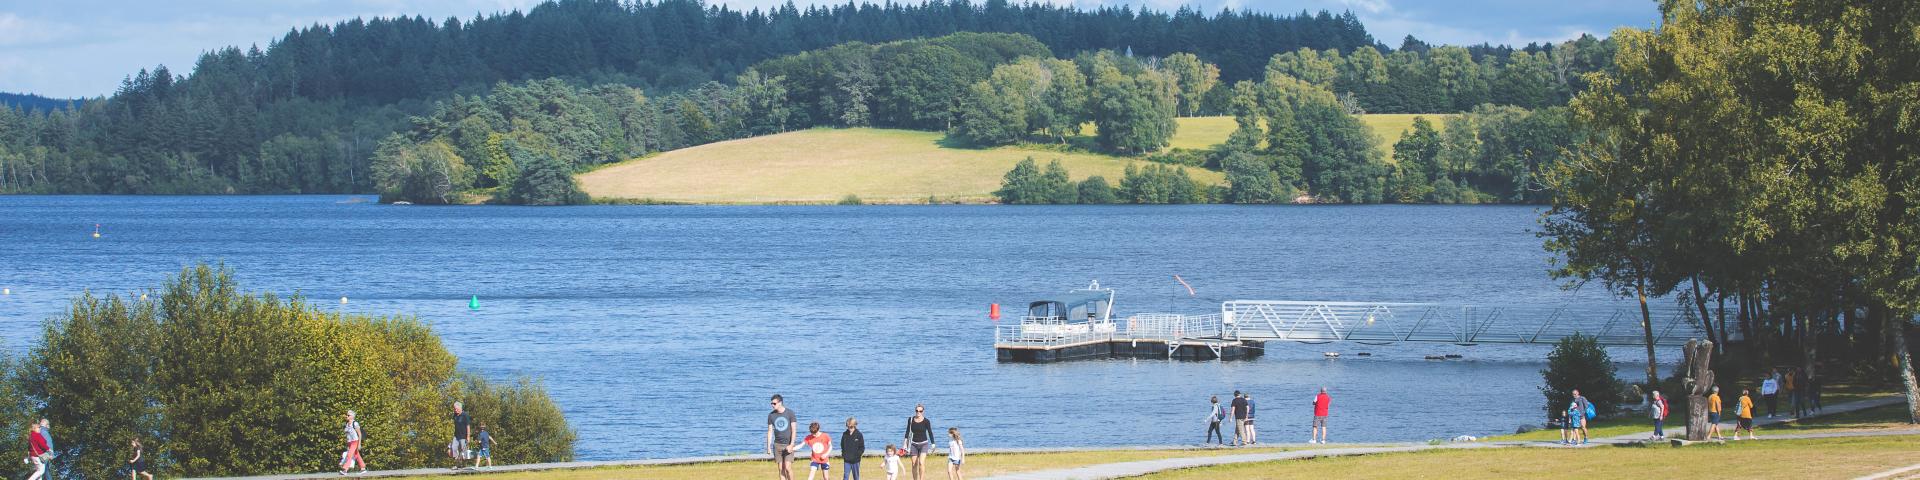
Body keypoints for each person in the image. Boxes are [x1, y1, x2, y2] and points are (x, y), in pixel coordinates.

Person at [767, 394, 800, 480]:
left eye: (774, 403)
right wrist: (768, 447)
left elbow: (794, 430)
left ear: (780, 403)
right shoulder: (771, 415)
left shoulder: (790, 413)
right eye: (771, 403)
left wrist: (791, 444)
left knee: (788, 468)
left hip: (788, 444)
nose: (772, 405)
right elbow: (770, 431)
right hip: (777, 445)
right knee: (781, 468)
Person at [904, 404, 934, 480]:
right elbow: (907, 431)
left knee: (921, 462)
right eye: (917, 411)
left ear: (923, 411)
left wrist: (933, 443)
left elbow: (930, 432)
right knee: (914, 464)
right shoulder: (910, 419)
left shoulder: (926, 421)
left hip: (924, 444)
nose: (918, 412)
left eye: (920, 411)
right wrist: (905, 443)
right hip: (913, 444)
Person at [342, 410, 366, 475]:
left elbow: (359, 434)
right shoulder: (347, 424)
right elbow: (347, 435)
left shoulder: (355, 423)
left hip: (355, 441)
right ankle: (363, 468)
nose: (347, 416)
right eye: (347, 415)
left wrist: (359, 444)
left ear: (352, 416)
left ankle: (345, 469)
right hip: (350, 442)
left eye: (348, 415)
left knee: (349, 455)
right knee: (356, 455)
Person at [450, 401, 472, 470]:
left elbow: (468, 426)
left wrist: (468, 437)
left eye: (456, 409)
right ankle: (457, 464)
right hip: (456, 436)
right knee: (453, 448)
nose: (455, 410)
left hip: (463, 436)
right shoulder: (455, 415)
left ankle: (463, 465)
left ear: (460, 408)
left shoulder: (465, 415)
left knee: (463, 451)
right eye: (454, 409)